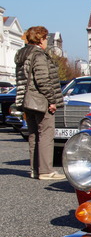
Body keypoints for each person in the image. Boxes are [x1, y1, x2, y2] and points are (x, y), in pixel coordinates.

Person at [15, 26, 65, 180]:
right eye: (45, 39)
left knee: (33, 135)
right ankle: (45, 170)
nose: (46, 42)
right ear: (40, 39)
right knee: (46, 134)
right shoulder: (38, 55)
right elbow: (42, 80)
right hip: (40, 100)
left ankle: (34, 169)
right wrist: (52, 100)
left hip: (26, 100)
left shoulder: (22, 54)